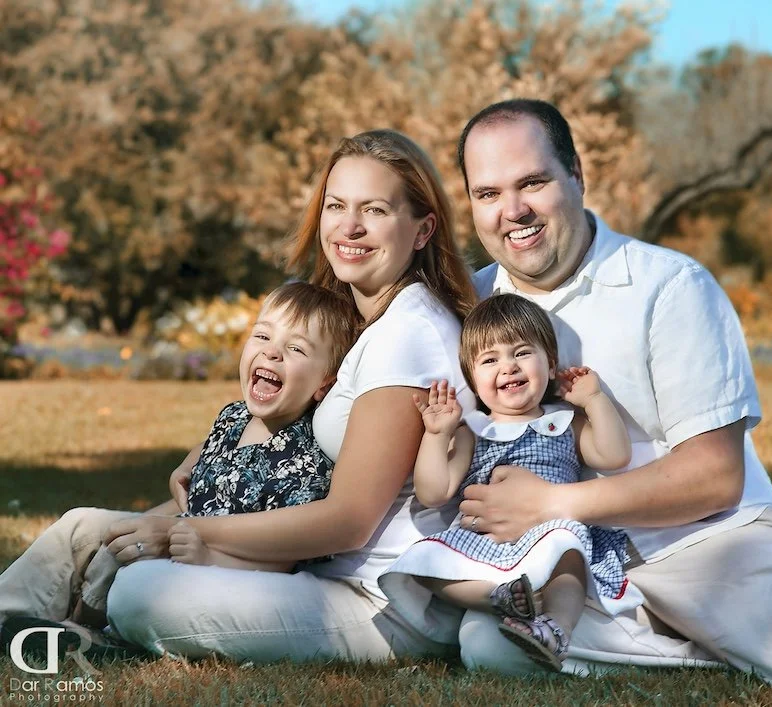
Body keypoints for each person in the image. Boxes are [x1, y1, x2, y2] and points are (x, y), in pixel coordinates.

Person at [453, 99, 772, 691]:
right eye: (487, 194)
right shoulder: (470, 304)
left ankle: (751, 633)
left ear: (576, 176)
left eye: (532, 182)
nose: (513, 211)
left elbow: (716, 478)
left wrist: (552, 505)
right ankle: (723, 646)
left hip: (707, 539)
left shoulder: (671, 286)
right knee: (488, 645)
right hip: (576, 565)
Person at [101, 129, 480, 664]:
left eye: (373, 209)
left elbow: (348, 520)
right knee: (98, 532)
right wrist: (213, 459)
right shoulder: (366, 320)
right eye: (336, 206)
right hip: (315, 571)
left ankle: (77, 619)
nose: (349, 227)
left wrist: (188, 532)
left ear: (422, 230)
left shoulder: (407, 337)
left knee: (140, 590)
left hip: (380, 605)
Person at [0, 282, 356, 644]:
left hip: (208, 566)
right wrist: (179, 478)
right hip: (172, 534)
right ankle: (6, 611)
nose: (272, 353)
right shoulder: (234, 418)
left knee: (123, 561)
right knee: (80, 525)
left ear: (324, 386)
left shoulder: (303, 461)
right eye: (262, 336)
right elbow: (207, 467)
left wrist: (209, 556)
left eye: (296, 348)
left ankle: (90, 629)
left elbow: (282, 557)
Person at [380, 293, 640, 671]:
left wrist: (595, 400)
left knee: (569, 560)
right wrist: (437, 435)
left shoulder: (565, 422)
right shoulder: (474, 430)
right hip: (483, 540)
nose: (508, 367)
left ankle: (556, 629)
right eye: (490, 360)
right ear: (473, 378)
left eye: (521, 353)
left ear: (550, 365)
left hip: (549, 530)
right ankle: (500, 598)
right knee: (428, 565)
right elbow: (434, 492)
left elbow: (615, 455)